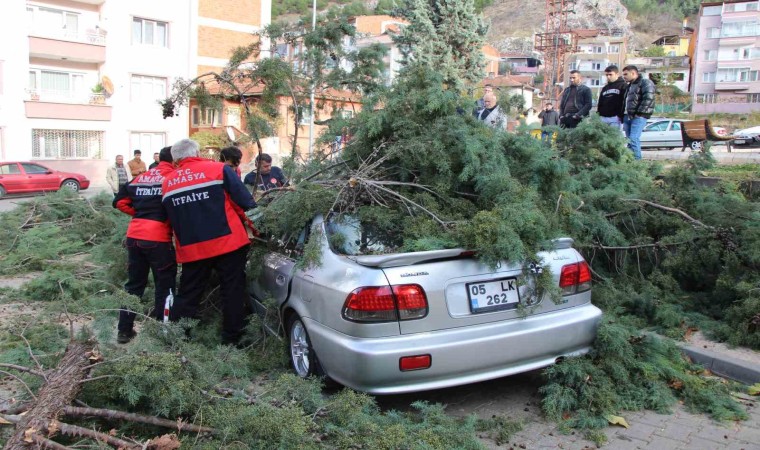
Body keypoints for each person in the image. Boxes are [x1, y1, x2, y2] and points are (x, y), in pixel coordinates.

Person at [162, 138, 256, 345]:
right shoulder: (218, 169)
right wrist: (259, 229)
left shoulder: (168, 182)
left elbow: (168, 219)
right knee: (232, 291)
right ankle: (232, 340)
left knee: (188, 294)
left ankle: (180, 338)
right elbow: (245, 203)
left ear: (175, 160)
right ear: (197, 153)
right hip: (228, 243)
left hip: (192, 249)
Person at [113, 146, 177, 343]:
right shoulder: (173, 178)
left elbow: (119, 202)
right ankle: (162, 333)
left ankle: (124, 331)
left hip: (134, 236)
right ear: (175, 160)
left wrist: (141, 215)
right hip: (157, 238)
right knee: (164, 286)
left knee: (134, 285)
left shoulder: (142, 176)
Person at [622, 65, 656, 160]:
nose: (624, 76)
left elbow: (649, 98)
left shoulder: (645, 82)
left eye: (626, 74)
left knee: (633, 138)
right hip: (628, 116)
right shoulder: (629, 86)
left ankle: (638, 163)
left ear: (633, 73)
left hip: (638, 116)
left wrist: (639, 113)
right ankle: (630, 162)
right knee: (629, 140)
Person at [597, 65, 627, 130]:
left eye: (610, 74)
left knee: (614, 138)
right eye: (607, 75)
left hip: (615, 118)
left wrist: (620, 115)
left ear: (617, 74)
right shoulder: (605, 88)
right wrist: (598, 114)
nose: (608, 77)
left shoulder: (623, 86)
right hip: (603, 117)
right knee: (602, 138)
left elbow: (624, 101)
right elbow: (600, 102)